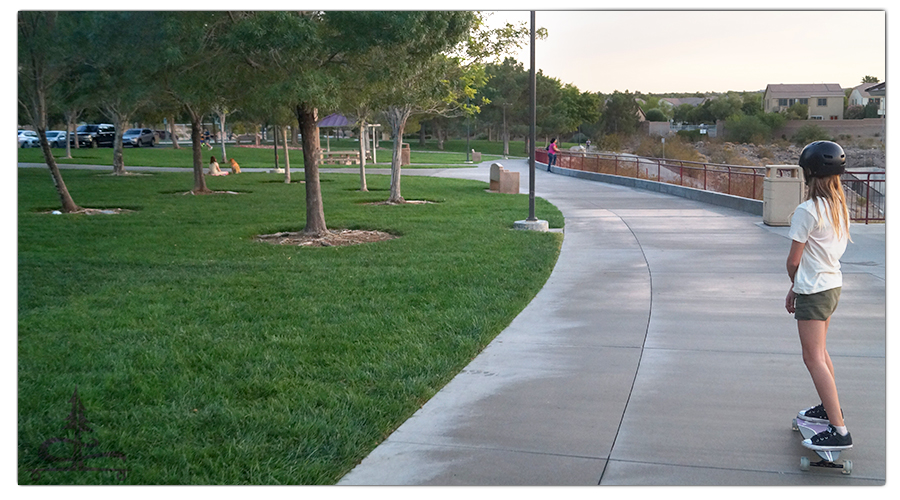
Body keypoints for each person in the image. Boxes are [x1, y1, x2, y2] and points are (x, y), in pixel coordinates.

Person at [786, 141, 852, 452]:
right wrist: (796, 286)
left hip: (813, 290)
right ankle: (829, 409)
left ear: (809, 173)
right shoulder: (839, 206)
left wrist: (795, 286)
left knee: (812, 357)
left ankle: (839, 430)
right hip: (831, 286)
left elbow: (794, 262)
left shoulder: (807, 210)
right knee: (822, 353)